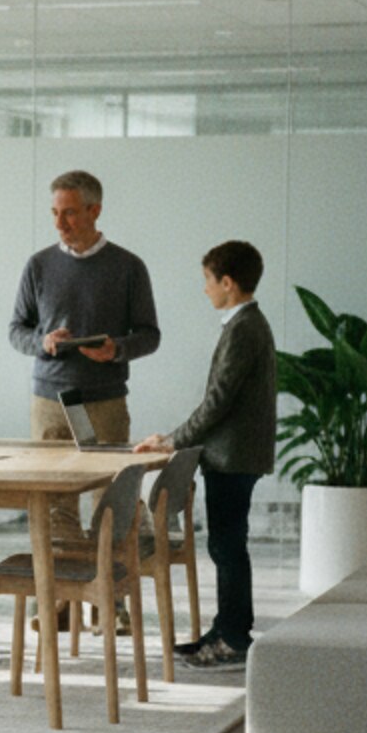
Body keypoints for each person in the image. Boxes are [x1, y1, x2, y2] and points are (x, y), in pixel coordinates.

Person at [134, 240, 277, 669]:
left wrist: (171, 441)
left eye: (208, 281)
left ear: (227, 283)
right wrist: (172, 438)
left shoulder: (243, 328)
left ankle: (232, 640)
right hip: (234, 456)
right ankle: (225, 631)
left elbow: (217, 403)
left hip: (233, 458)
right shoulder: (246, 323)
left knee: (227, 548)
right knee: (226, 547)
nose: (205, 289)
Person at [8, 169, 161, 554]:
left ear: (95, 210)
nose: (59, 223)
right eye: (55, 213)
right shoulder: (38, 265)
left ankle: (111, 585)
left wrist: (116, 349)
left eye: (70, 213)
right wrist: (42, 342)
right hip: (49, 401)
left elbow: (150, 335)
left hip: (104, 400)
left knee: (111, 497)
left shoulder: (128, 266)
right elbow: (16, 330)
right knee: (55, 502)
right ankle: (63, 587)